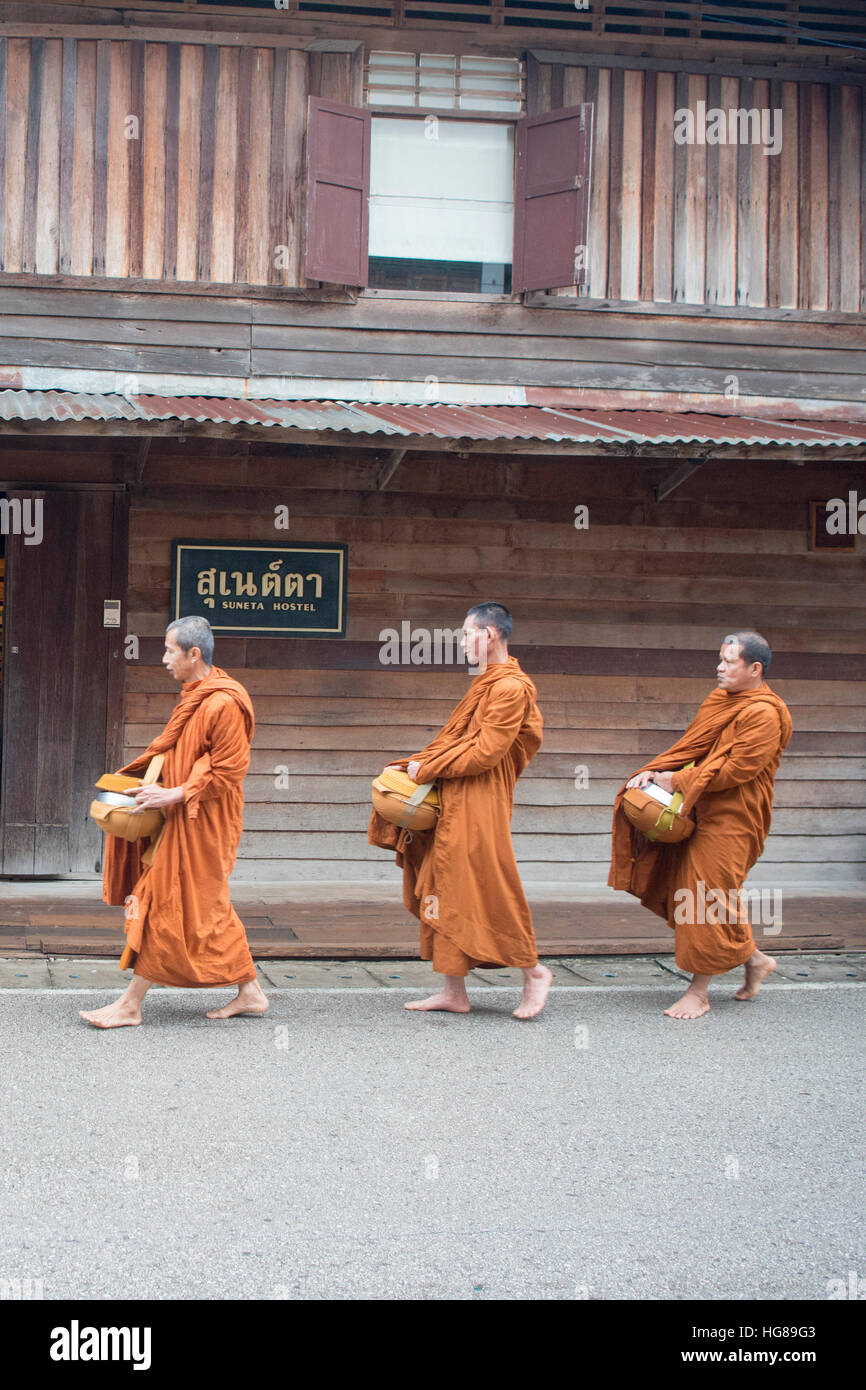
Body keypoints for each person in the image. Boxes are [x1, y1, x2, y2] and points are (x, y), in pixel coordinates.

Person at [79, 616, 268, 1028]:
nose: (164, 659)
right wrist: (149, 787)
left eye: (169, 651)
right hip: (182, 814)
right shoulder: (195, 694)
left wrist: (177, 794)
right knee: (207, 908)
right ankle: (250, 991)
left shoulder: (224, 701)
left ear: (193, 653)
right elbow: (179, 757)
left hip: (206, 820)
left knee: (168, 900)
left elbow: (230, 771)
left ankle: (130, 1005)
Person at [369, 603, 552, 1019]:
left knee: (490, 883)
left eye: (466, 634)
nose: (462, 642)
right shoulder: (486, 682)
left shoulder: (511, 687)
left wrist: (429, 766)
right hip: (455, 798)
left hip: (481, 802)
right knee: (442, 884)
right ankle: (454, 990)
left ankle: (533, 971)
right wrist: (417, 765)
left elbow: (486, 753)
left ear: (488, 634)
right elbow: (461, 742)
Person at [609, 630, 793, 1020]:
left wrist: (673, 781)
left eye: (729, 662)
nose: (720, 667)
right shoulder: (720, 701)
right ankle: (755, 959)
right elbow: (694, 750)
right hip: (696, 810)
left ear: (754, 668)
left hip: (733, 818)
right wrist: (658, 771)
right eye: (720, 659)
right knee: (703, 891)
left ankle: (699, 991)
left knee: (706, 895)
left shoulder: (764, 713)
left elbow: (735, 770)